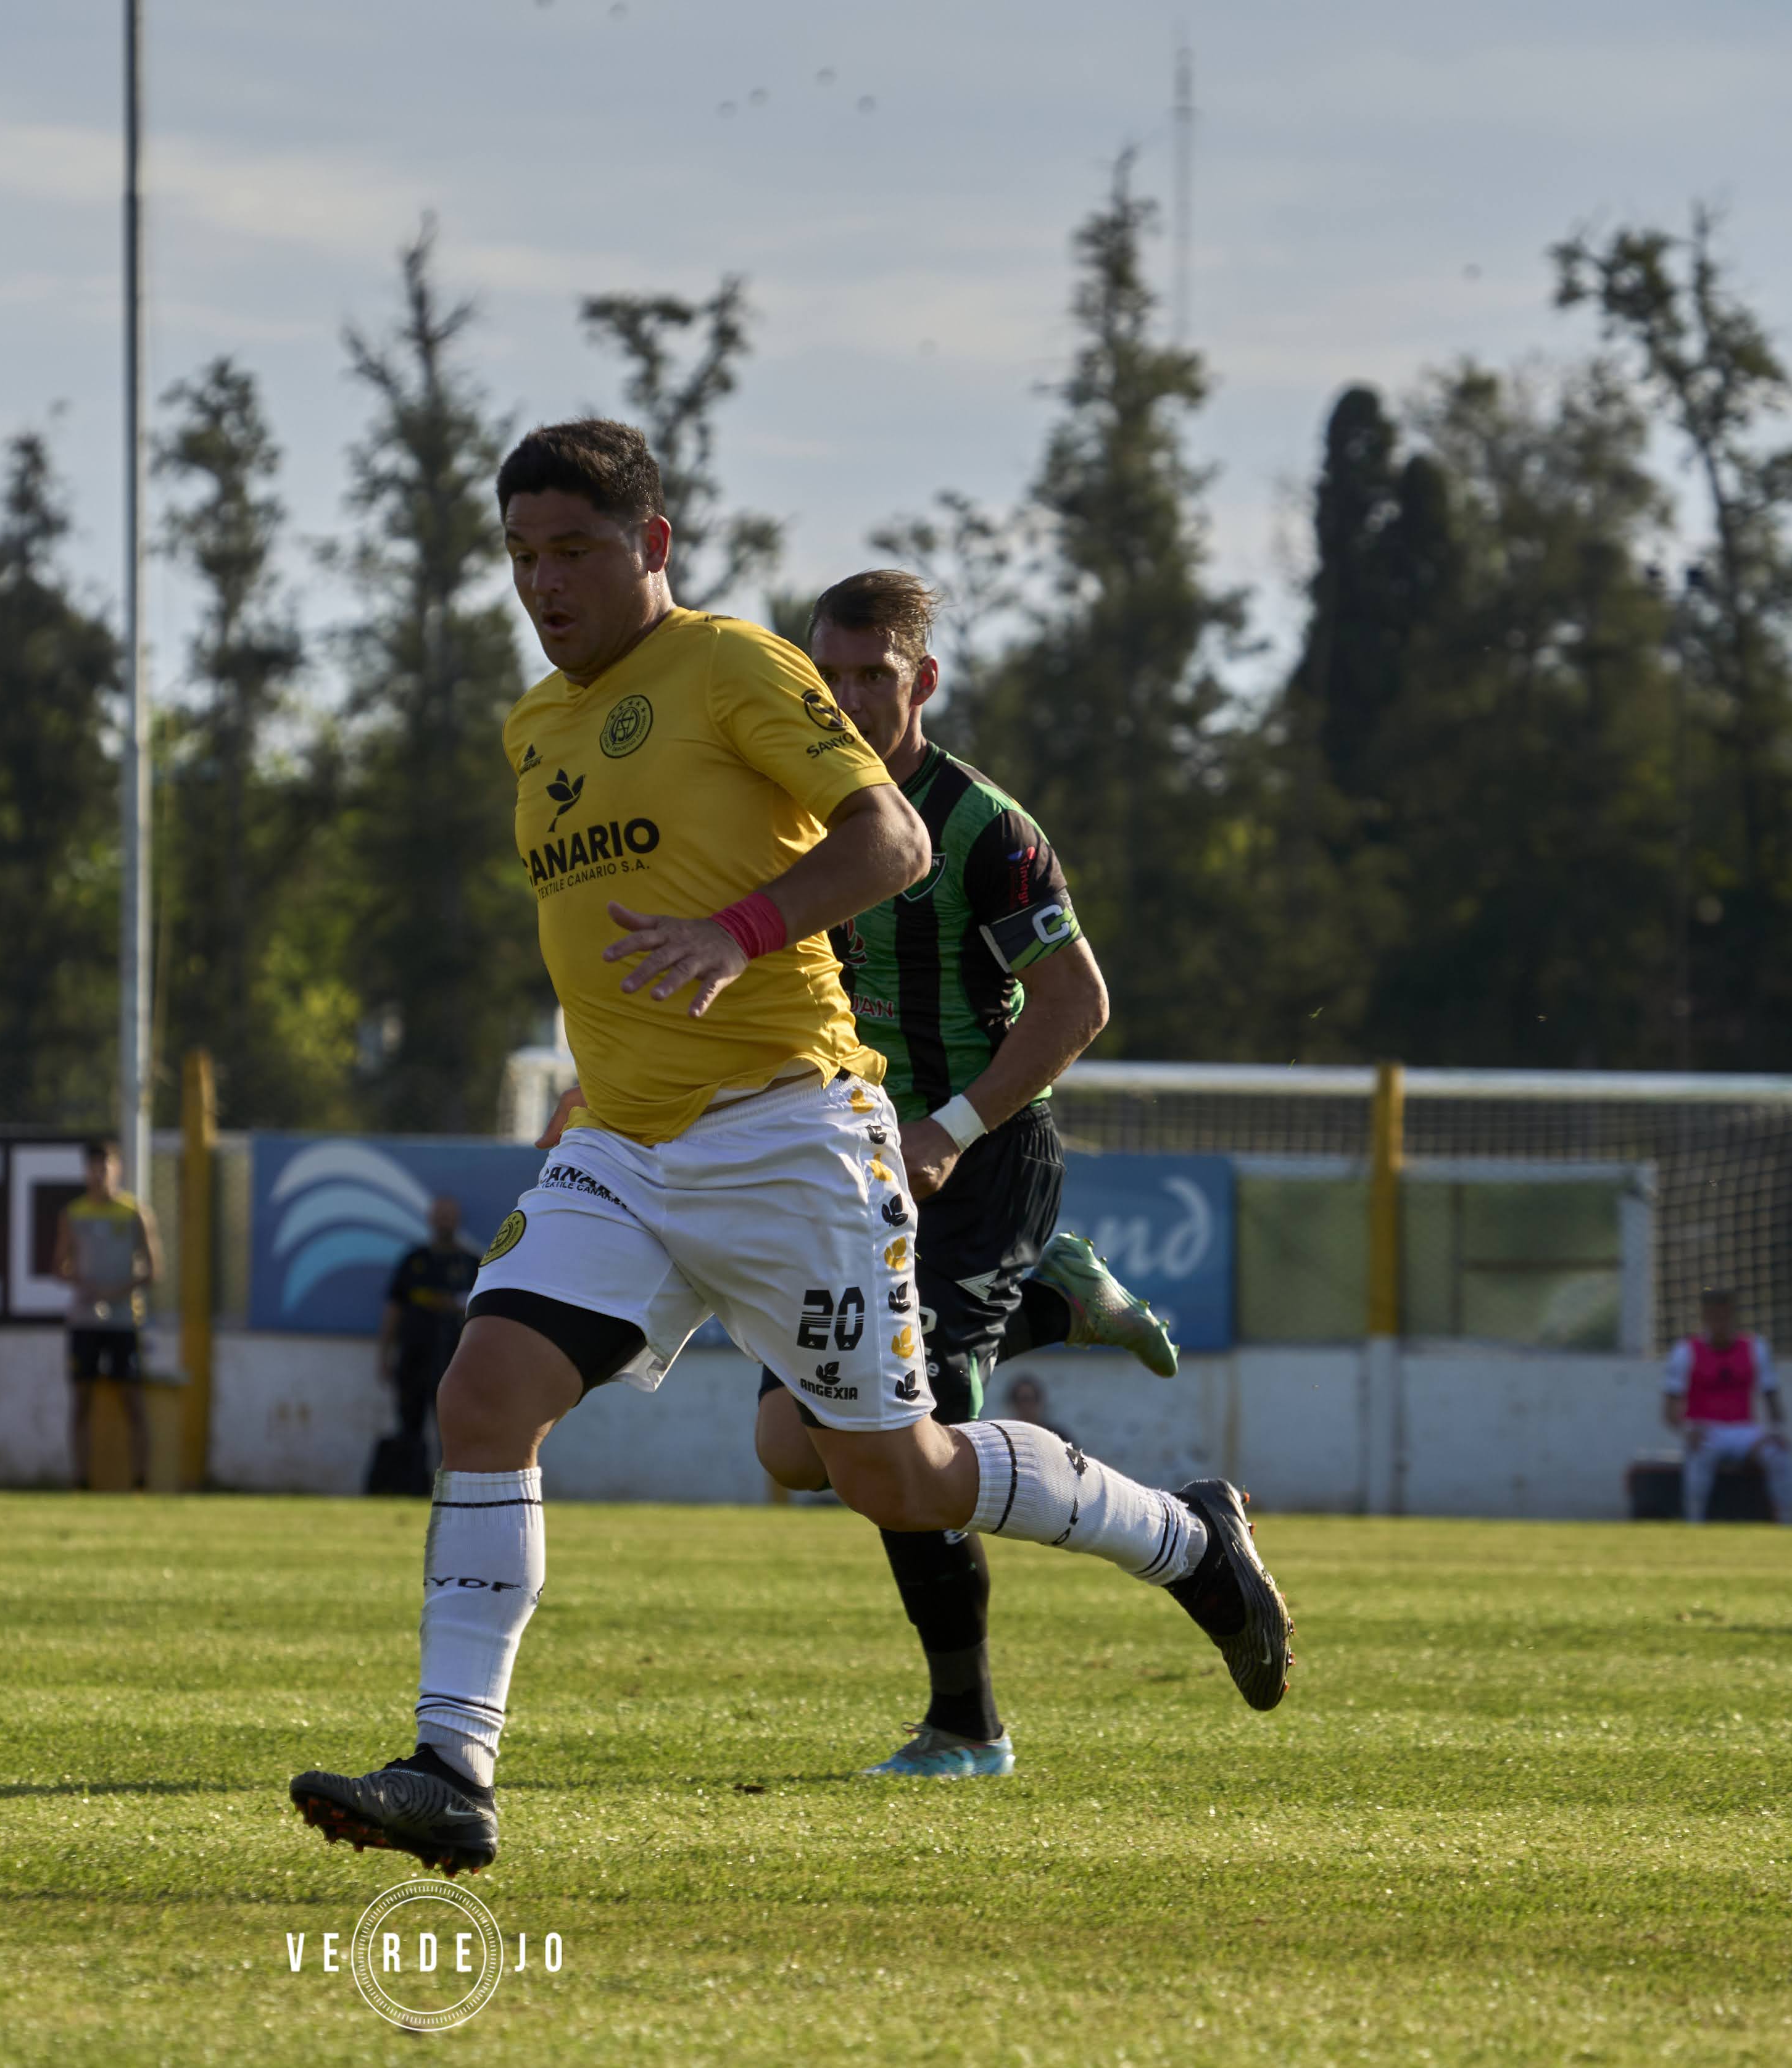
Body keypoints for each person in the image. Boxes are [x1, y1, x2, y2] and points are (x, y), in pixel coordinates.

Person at [289, 420, 1290, 1877]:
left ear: (653, 544)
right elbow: (607, 952)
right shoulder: (536, 728)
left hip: (791, 1135)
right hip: (627, 1146)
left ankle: (1190, 1539)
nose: (543, 583)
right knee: (485, 1388)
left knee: (892, 1472)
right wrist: (587, 1095)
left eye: (572, 548)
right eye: (520, 557)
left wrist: (740, 930)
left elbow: (895, 843)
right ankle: (453, 1765)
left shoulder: (738, 668)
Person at [753, 567, 1178, 1783]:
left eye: (868, 677)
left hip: (984, 1157)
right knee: (791, 1448)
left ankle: (965, 1726)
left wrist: (944, 1125)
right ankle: (1052, 1299)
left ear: (920, 679)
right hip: (848, 1175)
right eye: (821, 678)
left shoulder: (986, 828)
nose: (842, 699)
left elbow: (1074, 1004)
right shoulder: (786, 814)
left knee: (905, 1440)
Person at [54, 1138, 160, 1492]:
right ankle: (80, 1481)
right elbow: (59, 1266)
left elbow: (153, 1270)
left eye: (106, 1167)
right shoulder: (74, 1213)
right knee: (81, 1400)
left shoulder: (134, 1213)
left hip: (124, 1320)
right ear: (85, 1171)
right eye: (93, 1168)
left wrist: (117, 1291)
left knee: (133, 1401)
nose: (100, 1175)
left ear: (118, 1169)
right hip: (85, 1320)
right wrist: (83, 1284)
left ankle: (140, 1482)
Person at [371, 1196, 479, 1493]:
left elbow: (485, 1314)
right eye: (439, 1215)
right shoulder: (413, 1261)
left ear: (457, 1221)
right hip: (413, 1358)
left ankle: (452, 1490)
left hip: (454, 1362)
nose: (444, 1221)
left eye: (449, 1215)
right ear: (431, 1220)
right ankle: (409, 1487)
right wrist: (384, 1354)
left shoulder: (471, 1263)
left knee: (452, 1430)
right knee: (409, 1427)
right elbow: (394, 1310)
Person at [1665, 1288, 1792, 1524]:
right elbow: (1670, 1406)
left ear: (1733, 1316)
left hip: (1744, 1430)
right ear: (1704, 1317)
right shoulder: (1685, 1351)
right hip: (1706, 1428)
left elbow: (1771, 1395)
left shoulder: (1756, 1348)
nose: (1720, 1323)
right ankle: (1694, 1521)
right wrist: (1686, 1431)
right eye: (1713, 1317)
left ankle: (1786, 1521)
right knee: (1700, 1454)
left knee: (1778, 1454)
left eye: (1724, 1316)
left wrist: (1776, 1432)